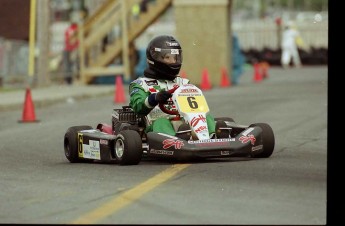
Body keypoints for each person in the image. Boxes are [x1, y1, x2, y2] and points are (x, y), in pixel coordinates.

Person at [129, 35, 229, 140]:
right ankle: (175, 141)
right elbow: (137, 106)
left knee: (205, 117)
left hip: (186, 122)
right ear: (154, 58)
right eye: (167, 57)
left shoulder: (184, 82)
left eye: (175, 58)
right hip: (157, 124)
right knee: (161, 122)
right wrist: (154, 98)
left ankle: (213, 137)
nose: (173, 62)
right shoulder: (140, 84)